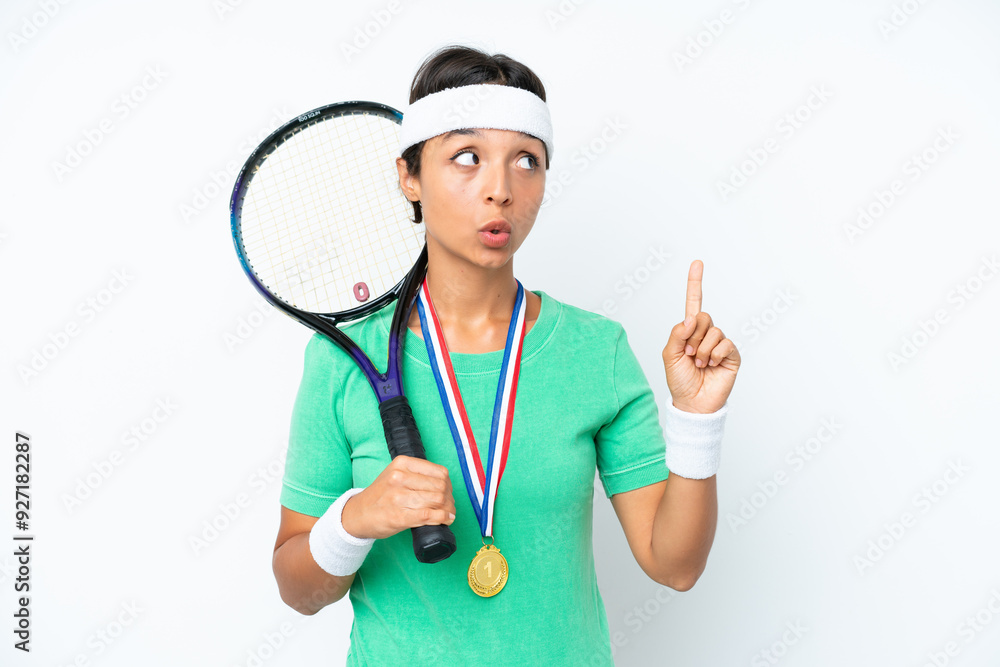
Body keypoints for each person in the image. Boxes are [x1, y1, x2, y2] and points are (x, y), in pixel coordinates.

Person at [271, 44, 741, 666]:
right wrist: (355, 519)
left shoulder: (595, 350)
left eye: (527, 161)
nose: (500, 190)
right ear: (410, 176)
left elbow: (674, 565)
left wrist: (698, 419)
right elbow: (298, 591)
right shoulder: (342, 359)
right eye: (466, 157)